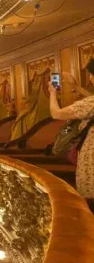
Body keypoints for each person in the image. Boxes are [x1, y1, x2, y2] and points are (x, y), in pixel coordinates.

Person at [48, 66, 94, 201]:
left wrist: (52, 93)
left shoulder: (90, 103)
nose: (91, 78)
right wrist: (77, 87)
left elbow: (56, 113)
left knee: (89, 198)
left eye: (91, 75)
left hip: (91, 156)